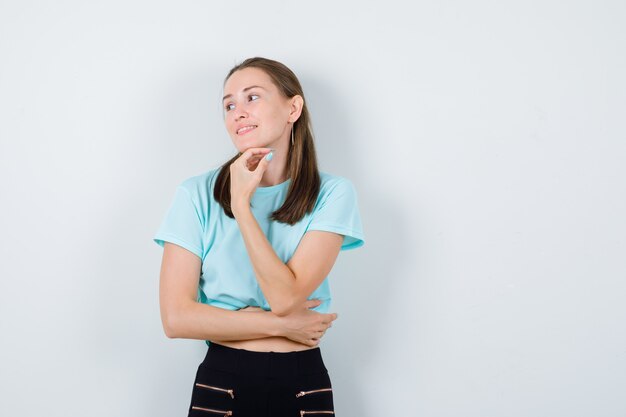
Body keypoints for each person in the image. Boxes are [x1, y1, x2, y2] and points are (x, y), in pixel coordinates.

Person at [153, 57, 365, 417]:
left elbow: (284, 297)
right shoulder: (195, 194)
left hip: (303, 381)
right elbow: (176, 319)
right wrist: (281, 325)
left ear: (292, 108)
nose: (238, 112)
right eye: (229, 105)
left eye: (252, 97)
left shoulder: (332, 193)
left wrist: (242, 207)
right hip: (223, 378)